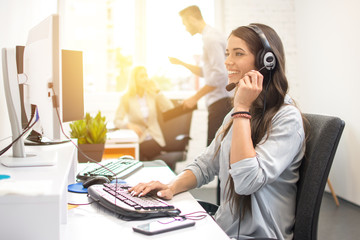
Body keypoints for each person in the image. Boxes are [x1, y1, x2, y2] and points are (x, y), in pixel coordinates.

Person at [128, 24, 309, 240]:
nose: (227, 62)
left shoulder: (286, 119)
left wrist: (241, 108)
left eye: (238, 53)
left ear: (266, 62)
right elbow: (206, 164)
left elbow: (246, 183)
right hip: (224, 230)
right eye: (227, 53)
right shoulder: (237, 114)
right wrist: (171, 186)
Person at [169, 5, 232, 146]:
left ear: (191, 19)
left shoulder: (211, 38)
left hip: (221, 101)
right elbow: (207, 73)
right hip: (220, 101)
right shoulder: (211, 36)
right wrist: (182, 63)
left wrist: (195, 97)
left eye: (185, 23)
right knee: (215, 149)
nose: (185, 27)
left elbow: (220, 75)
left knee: (213, 151)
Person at [114, 66, 174, 161]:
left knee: (138, 153)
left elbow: (169, 108)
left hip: (155, 139)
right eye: (142, 76)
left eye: (146, 75)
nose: (146, 79)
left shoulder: (152, 94)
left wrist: (158, 90)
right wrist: (128, 125)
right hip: (139, 140)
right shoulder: (126, 98)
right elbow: (117, 120)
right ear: (135, 80)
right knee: (136, 151)